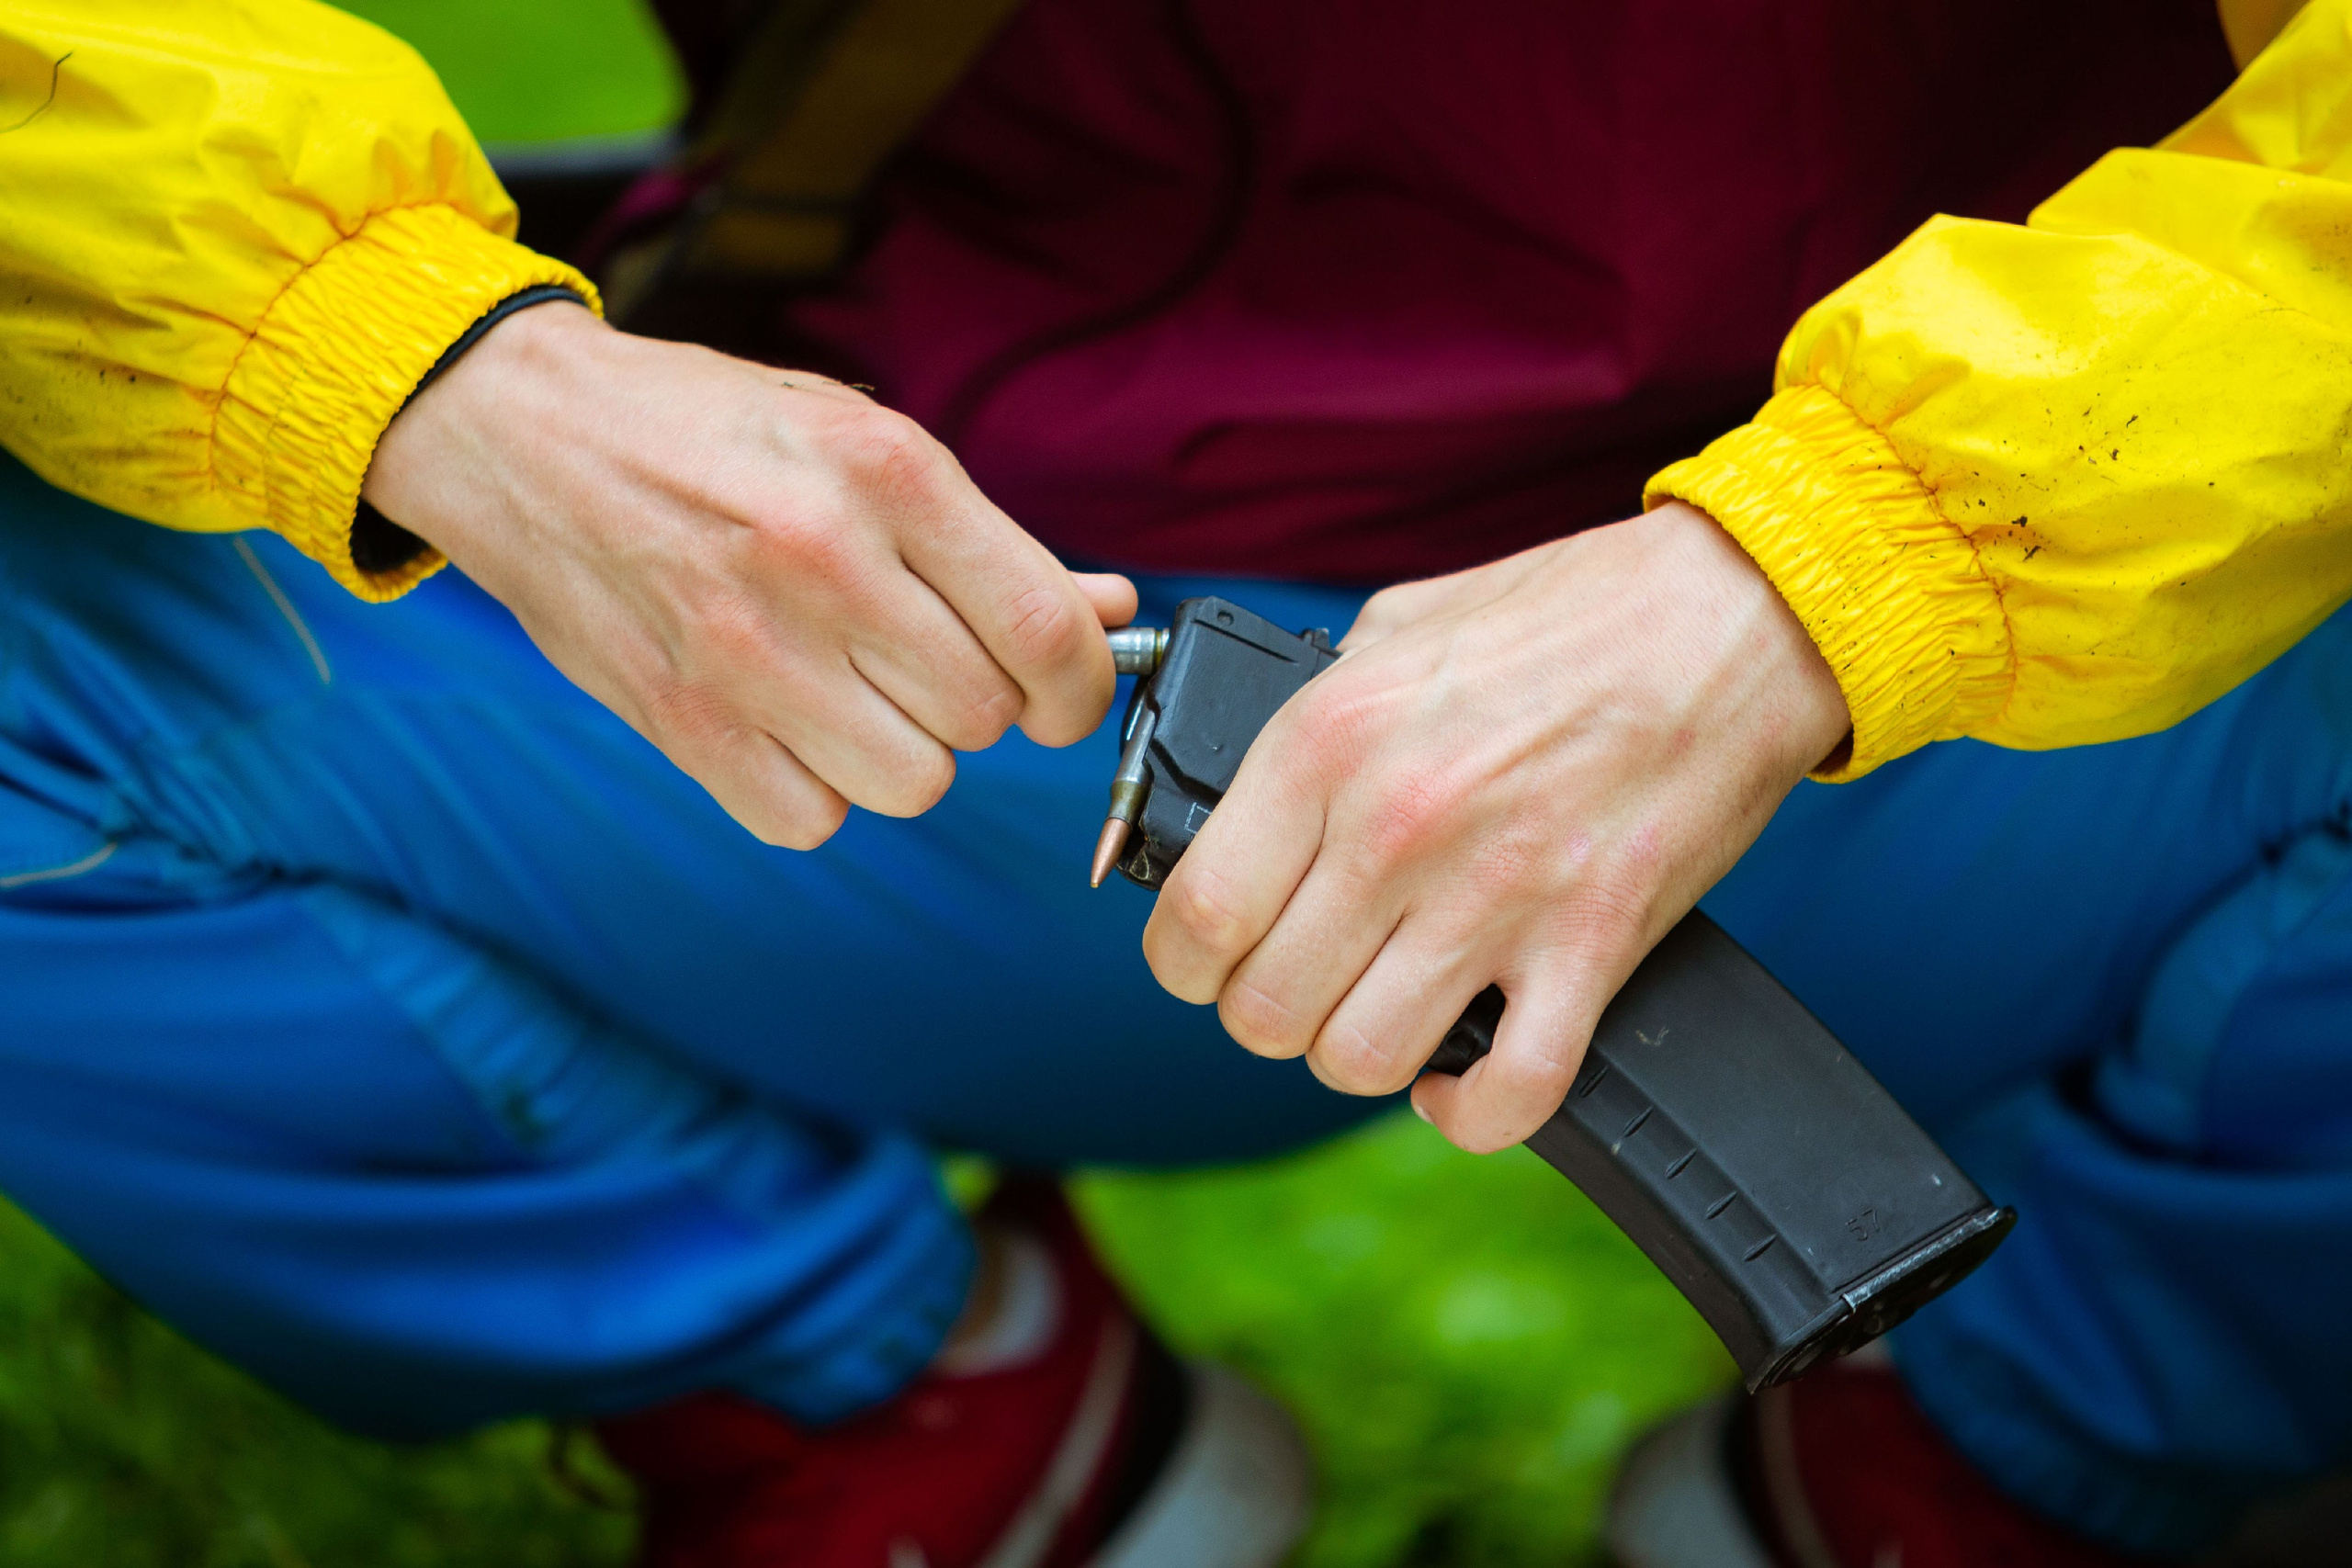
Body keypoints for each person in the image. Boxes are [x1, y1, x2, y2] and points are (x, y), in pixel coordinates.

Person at [2, 1, 2349, 1564]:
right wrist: (403, 356)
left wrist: (1826, 569)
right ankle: (906, 1403)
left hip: (1983, 696)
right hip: (948, 664)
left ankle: (2022, 1450)